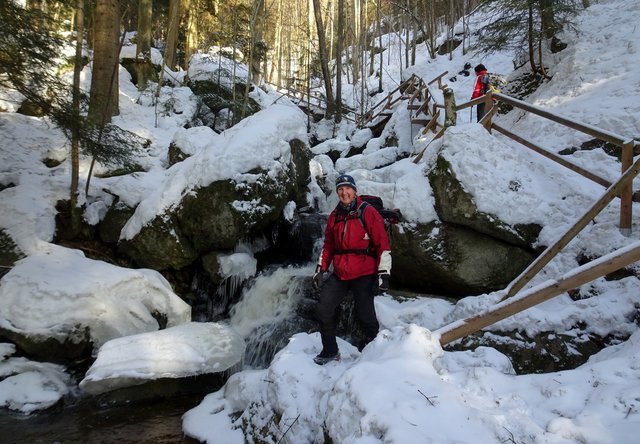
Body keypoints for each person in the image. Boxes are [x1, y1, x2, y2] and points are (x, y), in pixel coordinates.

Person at [311, 174, 392, 365]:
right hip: (341, 273)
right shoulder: (334, 216)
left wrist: (383, 274)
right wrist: (320, 269)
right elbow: (328, 246)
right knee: (323, 309)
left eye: (347, 188)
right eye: (340, 189)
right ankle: (330, 350)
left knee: (366, 315)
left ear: (355, 191)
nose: (344, 192)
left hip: (364, 271)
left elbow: (383, 244)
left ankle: (374, 352)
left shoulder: (368, 212)